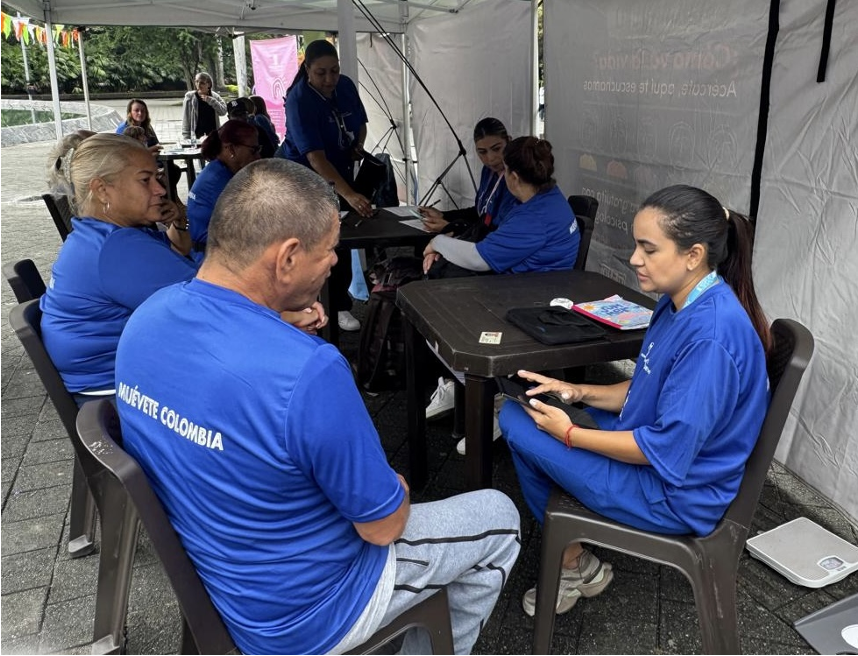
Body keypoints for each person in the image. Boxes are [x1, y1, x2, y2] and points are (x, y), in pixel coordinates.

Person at [114, 158, 521, 655]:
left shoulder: (145, 320)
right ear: (286, 258)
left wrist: (273, 324)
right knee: (499, 518)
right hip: (309, 612)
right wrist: (396, 486)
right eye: (329, 250)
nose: (334, 261)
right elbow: (383, 525)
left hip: (220, 580)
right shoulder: (307, 371)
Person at [499, 184, 772, 617]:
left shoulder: (713, 337)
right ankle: (572, 558)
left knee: (518, 423)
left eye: (648, 248)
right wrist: (575, 392)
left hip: (674, 495)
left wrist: (570, 432)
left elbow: (661, 450)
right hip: (655, 460)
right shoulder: (680, 302)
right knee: (529, 413)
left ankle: (572, 563)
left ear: (694, 255)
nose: (634, 259)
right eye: (635, 245)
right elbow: (648, 387)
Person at [423, 136, 581, 455]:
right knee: (439, 314)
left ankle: (495, 399)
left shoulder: (534, 216)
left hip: (527, 304)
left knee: (437, 325)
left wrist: (438, 242)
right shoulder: (546, 199)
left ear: (513, 176)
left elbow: (480, 258)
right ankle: (465, 383)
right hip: (529, 291)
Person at [40, 133, 198, 403]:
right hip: (116, 397)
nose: (160, 189)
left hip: (100, 382)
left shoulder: (97, 235)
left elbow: (177, 252)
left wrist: (179, 220)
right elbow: (210, 302)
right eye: (145, 180)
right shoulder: (118, 248)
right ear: (102, 190)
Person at [277, 38, 371, 332]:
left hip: (339, 173)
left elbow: (361, 124)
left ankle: (339, 304)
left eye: (335, 71)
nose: (330, 79)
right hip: (302, 179)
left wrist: (357, 145)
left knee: (337, 241)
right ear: (307, 70)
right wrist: (350, 194)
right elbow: (315, 158)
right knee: (304, 244)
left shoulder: (345, 87)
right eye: (321, 73)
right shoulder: (299, 100)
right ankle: (300, 306)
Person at [418, 117, 519, 237]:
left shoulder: (516, 177)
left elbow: (498, 229)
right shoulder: (488, 171)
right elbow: (480, 213)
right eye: (482, 152)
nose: (490, 158)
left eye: (496, 149)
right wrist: (444, 215)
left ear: (509, 141)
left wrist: (453, 226)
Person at [186, 119, 261, 252]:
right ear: (231, 148)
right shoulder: (221, 182)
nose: (258, 157)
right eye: (253, 150)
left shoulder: (218, 171)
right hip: (211, 256)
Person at [116, 98, 181, 199]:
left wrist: (155, 150)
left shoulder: (147, 127)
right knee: (168, 173)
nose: (140, 113)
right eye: (136, 110)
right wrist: (151, 150)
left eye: (143, 111)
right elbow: (128, 154)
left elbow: (156, 144)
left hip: (152, 161)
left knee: (173, 169)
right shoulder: (125, 130)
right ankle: (167, 199)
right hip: (135, 166)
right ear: (130, 113)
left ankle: (171, 199)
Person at [181, 72, 227, 142]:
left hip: (213, 136)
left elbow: (223, 112)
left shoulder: (215, 96)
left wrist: (212, 101)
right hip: (196, 137)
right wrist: (186, 138)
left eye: (202, 83)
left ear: (208, 84)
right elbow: (186, 118)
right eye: (196, 82)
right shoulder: (190, 97)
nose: (198, 85)